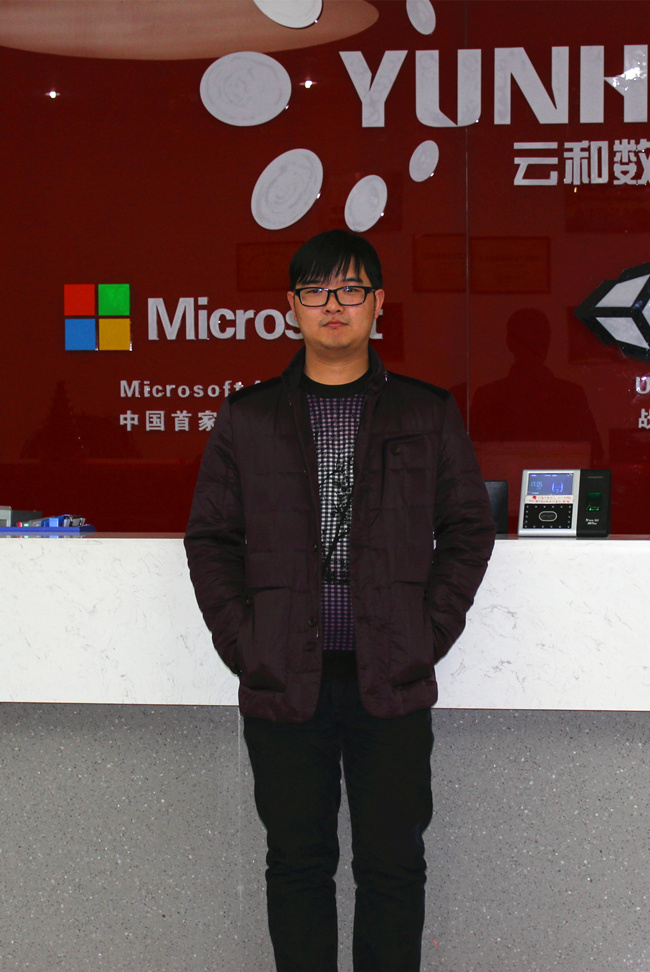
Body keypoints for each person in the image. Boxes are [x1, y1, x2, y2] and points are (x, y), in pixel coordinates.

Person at [184, 229, 495, 972]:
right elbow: (211, 539)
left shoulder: (425, 412)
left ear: (378, 303)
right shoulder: (249, 417)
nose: (334, 305)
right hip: (284, 679)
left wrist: (425, 632)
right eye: (317, 291)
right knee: (297, 863)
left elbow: (467, 529)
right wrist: (246, 643)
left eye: (351, 289)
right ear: (291, 305)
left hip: (391, 677)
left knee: (393, 865)